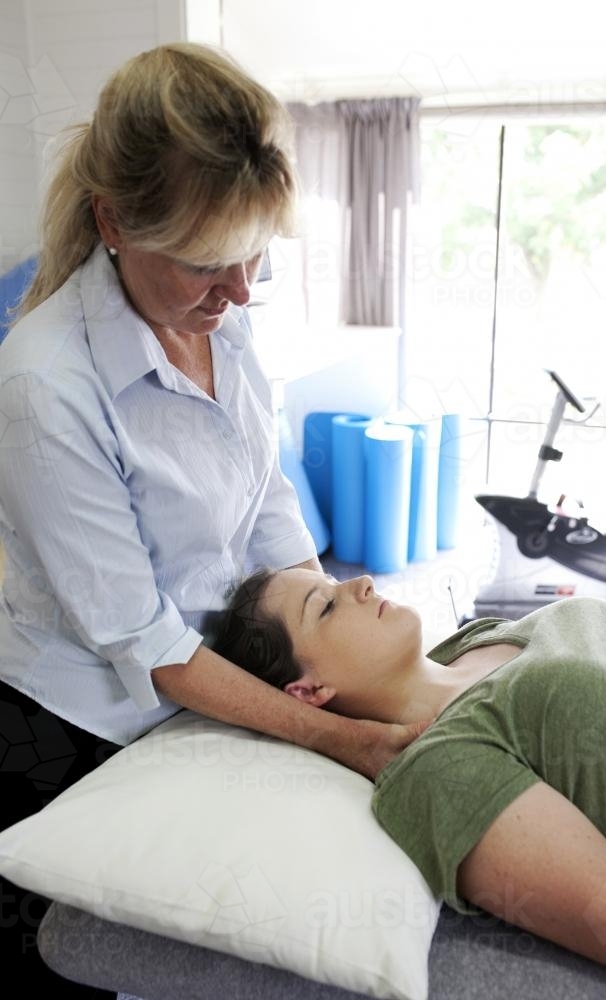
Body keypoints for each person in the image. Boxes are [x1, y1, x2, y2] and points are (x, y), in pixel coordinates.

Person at [0, 43, 425, 996]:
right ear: (112, 222)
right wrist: (331, 732)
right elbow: (143, 644)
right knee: (77, 963)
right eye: (205, 264)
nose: (238, 293)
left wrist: (331, 634)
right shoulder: (44, 384)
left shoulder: (216, 316)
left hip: (212, 685)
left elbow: (266, 497)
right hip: (75, 724)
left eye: (253, 256)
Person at [206, 567, 606, 997]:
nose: (362, 582)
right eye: (325, 606)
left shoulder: (473, 639)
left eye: (336, 579)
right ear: (308, 691)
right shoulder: (438, 770)